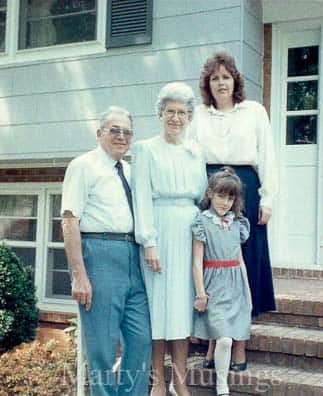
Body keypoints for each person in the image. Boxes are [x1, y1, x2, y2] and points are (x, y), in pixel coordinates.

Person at [188, 51, 277, 370]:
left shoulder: (253, 111)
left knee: (243, 270)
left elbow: (267, 156)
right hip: (212, 193)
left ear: (235, 80)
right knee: (215, 268)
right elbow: (190, 159)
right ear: (207, 84)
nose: (221, 83)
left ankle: (239, 346)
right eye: (214, 78)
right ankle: (214, 343)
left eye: (226, 77)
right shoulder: (199, 115)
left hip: (246, 192)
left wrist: (268, 199)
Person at [61, 106, 151, 396]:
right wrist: (79, 275)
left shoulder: (131, 170)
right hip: (99, 253)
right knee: (102, 346)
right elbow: (69, 219)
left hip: (132, 255)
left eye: (127, 132)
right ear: (99, 134)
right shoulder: (83, 165)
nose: (121, 136)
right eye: (115, 130)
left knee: (141, 340)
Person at [131, 82, 207, 396]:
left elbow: (202, 194)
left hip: (187, 229)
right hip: (159, 230)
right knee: (158, 309)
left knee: (179, 309)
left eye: (182, 112)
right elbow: (141, 198)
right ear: (160, 113)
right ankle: (158, 382)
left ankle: (180, 380)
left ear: (189, 117)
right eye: (170, 111)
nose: (176, 118)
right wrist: (148, 241)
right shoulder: (145, 148)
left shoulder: (195, 150)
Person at [192, 167, 252, 396]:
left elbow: (240, 260)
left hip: (235, 285)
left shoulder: (237, 223)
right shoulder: (202, 222)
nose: (225, 202)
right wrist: (200, 293)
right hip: (213, 285)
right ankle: (222, 385)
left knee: (229, 336)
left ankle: (222, 384)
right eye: (220, 195)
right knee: (224, 339)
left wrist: (247, 292)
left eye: (230, 197)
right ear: (210, 193)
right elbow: (197, 261)